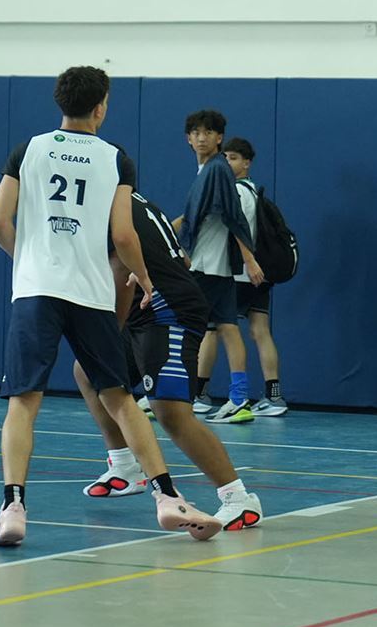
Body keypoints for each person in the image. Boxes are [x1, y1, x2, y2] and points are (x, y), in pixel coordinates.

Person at [0, 66, 217, 546]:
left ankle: (12, 509)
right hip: (89, 294)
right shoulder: (115, 158)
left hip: (36, 290)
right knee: (120, 398)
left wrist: (30, 262)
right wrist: (144, 277)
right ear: (101, 106)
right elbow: (124, 235)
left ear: (60, 102)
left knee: (23, 403)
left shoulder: (28, 150)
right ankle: (167, 498)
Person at [74, 187, 263, 530]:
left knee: (170, 411)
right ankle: (124, 465)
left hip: (168, 313)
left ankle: (239, 499)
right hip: (145, 310)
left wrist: (109, 330)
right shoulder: (135, 201)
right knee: (88, 371)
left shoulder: (107, 205)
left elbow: (123, 268)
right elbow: (183, 259)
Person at [176, 110, 265, 423]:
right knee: (228, 328)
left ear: (219, 138)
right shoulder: (208, 171)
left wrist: (250, 259)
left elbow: (231, 216)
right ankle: (239, 399)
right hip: (221, 268)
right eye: (196, 132)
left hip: (206, 265)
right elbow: (194, 217)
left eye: (208, 132)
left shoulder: (216, 170)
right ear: (188, 139)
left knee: (180, 326)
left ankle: (171, 394)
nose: (202, 137)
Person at [223, 137, 287, 417]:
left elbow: (237, 230)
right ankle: (274, 396)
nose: (228, 162)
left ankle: (201, 394)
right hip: (258, 272)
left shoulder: (238, 192)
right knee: (260, 331)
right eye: (225, 157)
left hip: (241, 273)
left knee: (216, 330)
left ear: (247, 163)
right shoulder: (254, 192)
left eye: (234, 158)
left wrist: (247, 262)